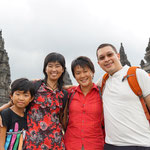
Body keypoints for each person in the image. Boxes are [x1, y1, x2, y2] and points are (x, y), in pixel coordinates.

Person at [0, 52, 67, 150]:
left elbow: (62, 119)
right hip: (33, 142)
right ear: (45, 68)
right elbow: (13, 102)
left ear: (63, 69)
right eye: (50, 66)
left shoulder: (63, 94)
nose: (54, 69)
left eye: (57, 66)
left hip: (56, 143)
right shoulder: (34, 86)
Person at [96, 43, 150, 150]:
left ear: (118, 56)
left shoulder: (137, 74)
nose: (106, 59)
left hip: (140, 144)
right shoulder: (103, 81)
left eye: (110, 55)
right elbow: (84, 86)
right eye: (102, 58)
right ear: (99, 63)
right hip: (111, 145)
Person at [64, 56, 104, 150]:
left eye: (85, 71)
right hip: (71, 144)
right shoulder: (70, 93)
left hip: (95, 144)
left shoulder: (102, 93)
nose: (82, 76)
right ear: (74, 76)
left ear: (92, 72)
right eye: (78, 73)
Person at [0, 78, 35, 150]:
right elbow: (1, 145)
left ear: (31, 98)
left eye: (26, 95)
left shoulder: (29, 115)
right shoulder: (6, 114)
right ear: (11, 96)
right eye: (18, 94)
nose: (21, 98)